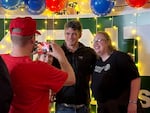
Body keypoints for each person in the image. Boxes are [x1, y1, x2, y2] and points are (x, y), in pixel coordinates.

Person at [0, 17, 75, 113]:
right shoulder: (41, 68)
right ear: (32, 39)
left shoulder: (2, 60)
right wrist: (61, 56)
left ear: (11, 37)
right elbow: (71, 79)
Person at [91, 31, 143, 113]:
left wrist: (133, 103)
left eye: (99, 40)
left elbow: (135, 79)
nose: (95, 44)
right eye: (94, 41)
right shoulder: (97, 61)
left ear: (108, 42)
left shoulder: (120, 57)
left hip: (121, 107)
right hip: (104, 108)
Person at [54, 20, 97, 113]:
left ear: (80, 35)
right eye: (67, 33)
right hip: (63, 105)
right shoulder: (57, 52)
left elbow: (97, 74)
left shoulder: (89, 53)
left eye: (74, 34)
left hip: (83, 105)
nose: (70, 37)